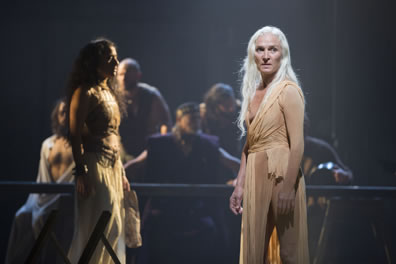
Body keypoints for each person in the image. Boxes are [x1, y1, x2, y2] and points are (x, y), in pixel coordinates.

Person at [229, 26, 309, 263]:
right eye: (260, 49)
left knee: (289, 252)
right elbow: (250, 144)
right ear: (253, 54)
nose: (265, 55)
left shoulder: (288, 91)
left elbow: (297, 145)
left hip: (282, 172)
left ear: (282, 54)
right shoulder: (253, 92)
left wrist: (288, 187)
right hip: (255, 171)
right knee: (254, 251)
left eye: (272, 50)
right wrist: (239, 184)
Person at [125, 102, 240, 264]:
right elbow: (134, 165)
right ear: (179, 120)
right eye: (191, 119)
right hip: (165, 210)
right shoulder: (161, 144)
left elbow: (233, 163)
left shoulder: (207, 144)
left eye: (198, 119)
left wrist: (241, 178)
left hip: (196, 211)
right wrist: (120, 177)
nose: (196, 123)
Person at [66, 38, 130, 264]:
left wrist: (121, 171)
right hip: (94, 165)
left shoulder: (108, 93)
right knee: (98, 223)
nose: (116, 62)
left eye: (116, 56)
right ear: (95, 61)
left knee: (115, 224)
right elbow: (74, 133)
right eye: (109, 57)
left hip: (112, 166)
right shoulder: (85, 92)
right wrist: (81, 172)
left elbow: (115, 135)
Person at [6, 99, 74, 264]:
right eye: (62, 112)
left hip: (65, 198)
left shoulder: (79, 146)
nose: (65, 116)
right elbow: (42, 177)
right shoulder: (48, 144)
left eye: (68, 112)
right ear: (56, 116)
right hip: (43, 195)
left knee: (45, 217)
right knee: (21, 216)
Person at [117, 58, 172, 162]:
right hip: (122, 153)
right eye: (120, 74)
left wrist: (161, 144)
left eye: (128, 74)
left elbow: (166, 122)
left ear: (138, 75)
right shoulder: (114, 98)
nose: (124, 78)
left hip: (148, 151)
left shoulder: (151, 95)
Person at [200, 83, 241, 157]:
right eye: (227, 106)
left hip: (236, 151)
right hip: (215, 153)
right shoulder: (205, 115)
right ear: (216, 105)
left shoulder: (240, 110)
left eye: (232, 103)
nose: (231, 108)